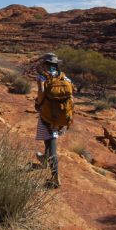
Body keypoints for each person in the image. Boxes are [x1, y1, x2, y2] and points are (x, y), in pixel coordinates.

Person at [34, 53, 74, 188]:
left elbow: (40, 94)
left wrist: (38, 104)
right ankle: (44, 160)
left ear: (45, 64)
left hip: (48, 116)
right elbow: (71, 99)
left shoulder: (42, 77)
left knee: (51, 144)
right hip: (62, 116)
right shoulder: (65, 78)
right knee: (50, 139)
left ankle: (55, 177)